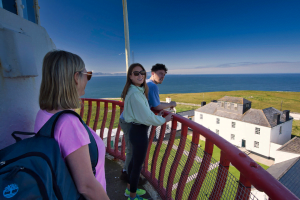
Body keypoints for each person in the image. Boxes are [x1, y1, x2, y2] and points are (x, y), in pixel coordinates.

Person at [34, 50, 109, 200]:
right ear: (76, 78)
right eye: (88, 75)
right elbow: (86, 186)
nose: (88, 79)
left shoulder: (43, 113)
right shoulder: (68, 122)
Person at [121, 63, 173, 200]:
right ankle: (132, 197)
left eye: (141, 72)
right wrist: (164, 119)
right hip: (139, 132)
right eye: (136, 73)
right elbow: (146, 117)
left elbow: (144, 112)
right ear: (130, 76)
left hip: (136, 130)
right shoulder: (136, 94)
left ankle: (129, 189)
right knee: (137, 166)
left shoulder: (136, 90)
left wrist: (157, 115)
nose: (140, 75)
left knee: (133, 163)